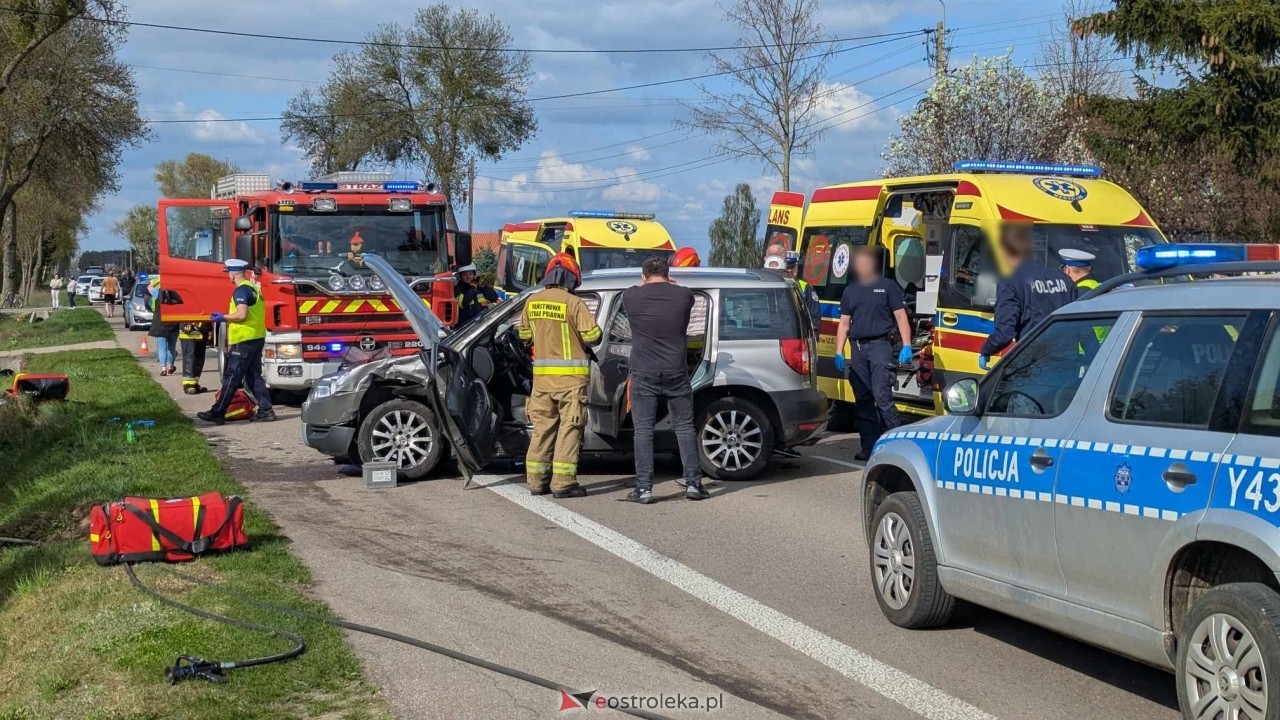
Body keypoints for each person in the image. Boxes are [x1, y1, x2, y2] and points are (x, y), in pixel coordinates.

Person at [621, 256, 709, 503]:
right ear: (669, 275)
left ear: (643, 276)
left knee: (643, 431)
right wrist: (670, 284)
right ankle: (693, 484)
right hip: (676, 371)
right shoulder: (683, 296)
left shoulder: (631, 297)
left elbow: (633, 289)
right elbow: (683, 291)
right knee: (684, 427)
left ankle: (644, 488)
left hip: (644, 371)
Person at [517, 253, 601, 498]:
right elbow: (593, 336)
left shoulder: (532, 302)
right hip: (570, 382)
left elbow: (523, 337)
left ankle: (535, 481)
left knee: (542, 429)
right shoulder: (573, 303)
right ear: (571, 278)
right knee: (569, 429)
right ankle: (563, 484)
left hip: (542, 381)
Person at [832, 247, 914, 461]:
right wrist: (839, 351)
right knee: (863, 399)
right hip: (858, 348)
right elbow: (844, 323)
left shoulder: (888, 287)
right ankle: (869, 447)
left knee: (882, 397)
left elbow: (901, 317)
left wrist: (907, 344)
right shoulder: (851, 290)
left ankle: (896, 446)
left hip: (880, 346)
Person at [977, 226, 1077, 370]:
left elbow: (1005, 333)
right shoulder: (1064, 279)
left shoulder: (1010, 282)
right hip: (1067, 362)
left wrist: (986, 350)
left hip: (1035, 363)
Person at [197, 259, 275, 425]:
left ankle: (217, 412)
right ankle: (266, 410)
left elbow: (241, 315)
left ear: (232, 274)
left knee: (232, 377)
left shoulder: (241, 291)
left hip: (244, 340)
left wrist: (222, 317)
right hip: (256, 337)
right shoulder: (255, 288)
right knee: (254, 376)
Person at [146, 277, 180, 376]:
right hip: (173, 324)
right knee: (171, 347)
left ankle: (163, 368)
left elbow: (149, 287)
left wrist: (159, 279)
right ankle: (170, 366)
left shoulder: (158, 293)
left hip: (160, 324)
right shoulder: (176, 294)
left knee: (162, 348)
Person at [785, 251, 822, 335]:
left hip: (800, 335)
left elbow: (814, 317)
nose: (790, 270)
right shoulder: (775, 286)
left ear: (797, 266)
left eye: (793, 267)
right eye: (787, 267)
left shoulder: (805, 288)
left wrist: (813, 337)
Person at [179, 321, 212, 394]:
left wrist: (209, 329)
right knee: (190, 359)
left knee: (199, 360)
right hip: (188, 332)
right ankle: (188, 385)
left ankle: (195, 384)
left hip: (202, 332)